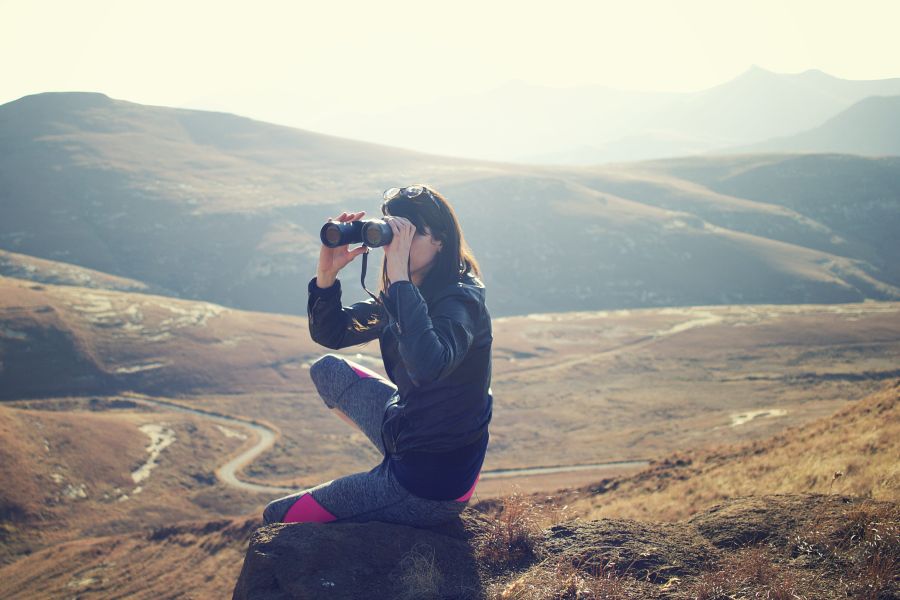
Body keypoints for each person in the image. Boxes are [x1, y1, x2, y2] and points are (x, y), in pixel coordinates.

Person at [263, 184, 493, 528]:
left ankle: (389, 486)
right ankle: (391, 464)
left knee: (277, 517)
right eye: (391, 233)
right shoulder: (412, 289)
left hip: (430, 482)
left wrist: (399, 277)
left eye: (410, 234)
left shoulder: (459, 301)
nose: (395, 246)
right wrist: (326, 277)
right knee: (327, 371)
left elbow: (428, 367)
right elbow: (333, 334)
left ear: (441, 241)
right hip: (410, 427)